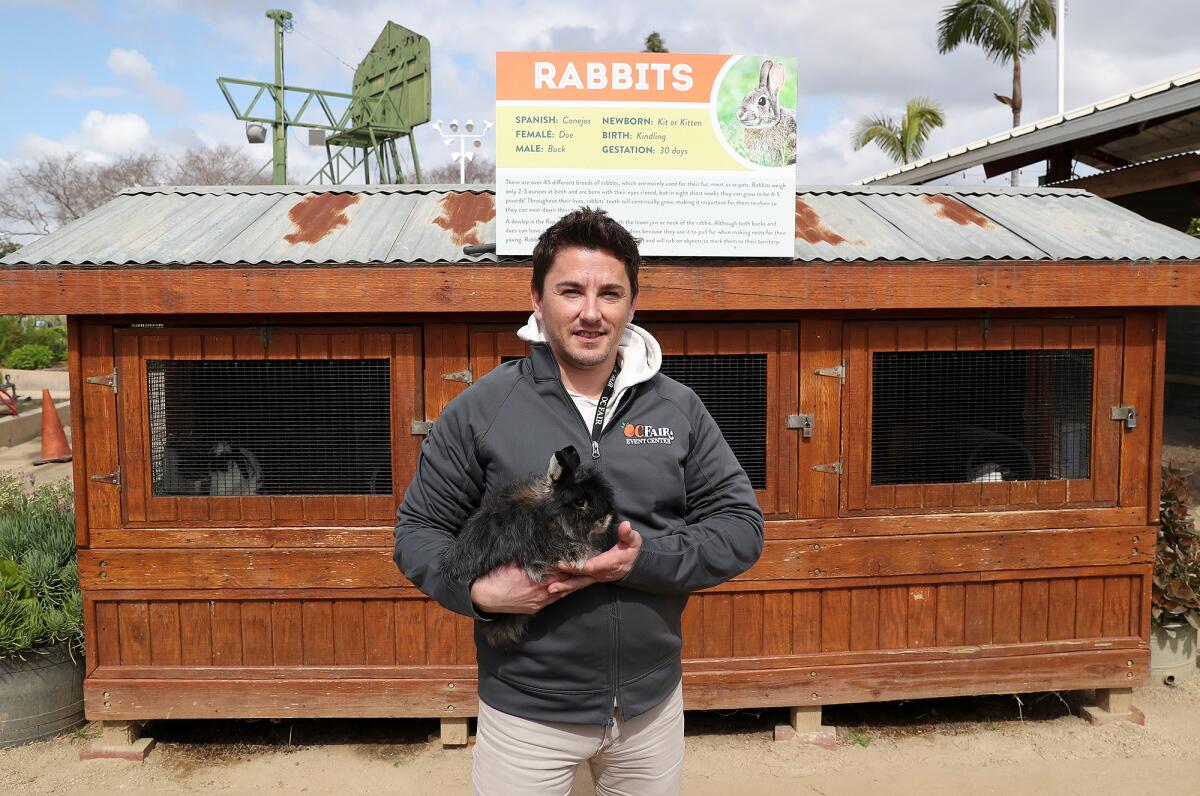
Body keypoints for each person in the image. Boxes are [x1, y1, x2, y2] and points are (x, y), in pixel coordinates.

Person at [394, 207, 764, 795]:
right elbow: (418, 531)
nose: (591, 312)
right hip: (526, 715)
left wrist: (642, 562)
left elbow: (741, 527)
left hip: (650, 710)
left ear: (632, 304)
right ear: (538, 300)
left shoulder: (678, 409)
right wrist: (479, 594)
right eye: (571, 290)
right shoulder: (482, 409)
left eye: (609, 293)